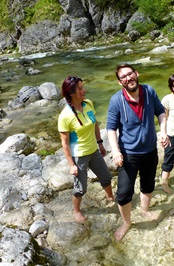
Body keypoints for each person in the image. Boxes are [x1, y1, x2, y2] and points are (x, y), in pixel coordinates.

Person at [106, 64, 170, 241]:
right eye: (124, 77)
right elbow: (111, 128)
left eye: (130, 74)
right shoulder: (116, 101)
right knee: (124, 193)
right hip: (128, 154)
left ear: (137, 74)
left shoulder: (149, 91)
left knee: (148, 185)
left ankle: (144, 210)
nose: (128, 78)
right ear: (120, 82)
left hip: (150, 150)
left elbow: (161, 113)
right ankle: (126, 222)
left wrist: (163, 131)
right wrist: (116, 151)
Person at [58, 75, 114, 223]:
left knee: (106, 177)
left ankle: (110, 197)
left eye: (83, 87)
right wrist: (71, 165)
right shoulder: (65, 116)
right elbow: (64, 143)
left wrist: (100, 143)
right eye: (80, 89)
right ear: (71, 93)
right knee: (80, 188)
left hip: (94, 151)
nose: (84, 91)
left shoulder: (88, 104)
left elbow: (95, 124)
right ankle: (76, 211)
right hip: (79, 157)